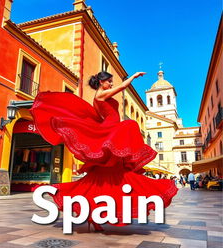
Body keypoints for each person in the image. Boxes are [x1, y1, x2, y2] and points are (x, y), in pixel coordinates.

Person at [30, 71, 178, 231]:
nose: (111, 84)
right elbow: (122, 87)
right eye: (109, 81)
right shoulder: (101, 94)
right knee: (130, 125)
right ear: (101, 83)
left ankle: (96, 216)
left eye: (111, 82)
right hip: (110, 130)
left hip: (112, 131)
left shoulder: (102, 94)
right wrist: (133, 77)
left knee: (106, 179)